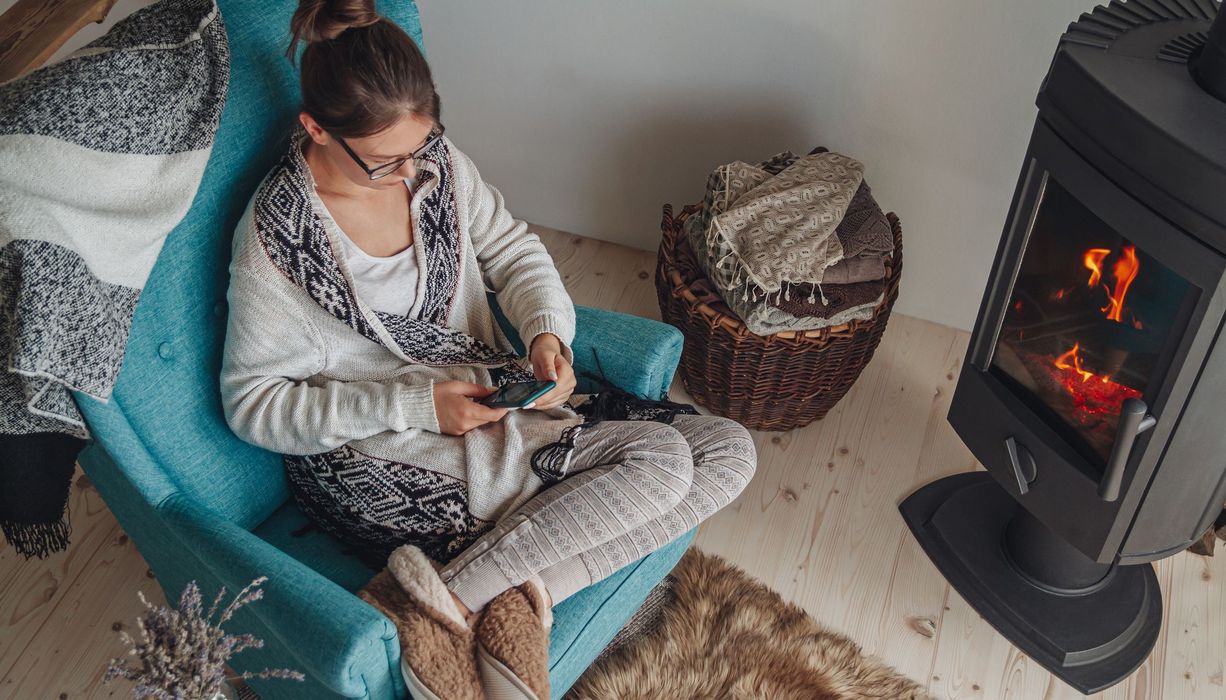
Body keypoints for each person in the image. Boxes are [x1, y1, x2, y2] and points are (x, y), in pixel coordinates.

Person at [219, 1, 757, 698]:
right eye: (387, 163)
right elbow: (253, 407)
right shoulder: (273, 247)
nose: (415, 173)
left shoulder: (432, 163)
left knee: (727, 450)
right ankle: (458, 597)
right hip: (377, 446)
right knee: (659, 464)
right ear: (315, 128)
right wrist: (417, 403)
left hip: (489, 391)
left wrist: (544, 332)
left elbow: (510, 248)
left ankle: (473, 598)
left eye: (423, 145)